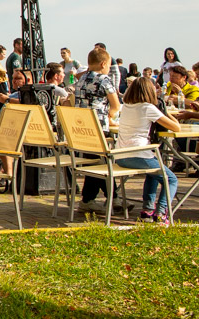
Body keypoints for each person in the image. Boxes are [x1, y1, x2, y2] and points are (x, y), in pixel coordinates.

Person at [117, 77, 183, 225]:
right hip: (139, 154)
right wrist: (166, 111)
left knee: (153, 173)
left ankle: (147, 210)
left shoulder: (126, 106)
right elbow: (176, 127)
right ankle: (161, 212)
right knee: (171, 179)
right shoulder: (148, 107)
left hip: (120, 155)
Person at [75, 47, 122, 213]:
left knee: (96, 162)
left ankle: (107, 198)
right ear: (103, 64)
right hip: (98, 127)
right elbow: (115, 105)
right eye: (109, 65)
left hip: (80, 128)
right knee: (102, 163)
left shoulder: (80, 79)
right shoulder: (104, 79)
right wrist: (112, 116)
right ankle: (112, 198)